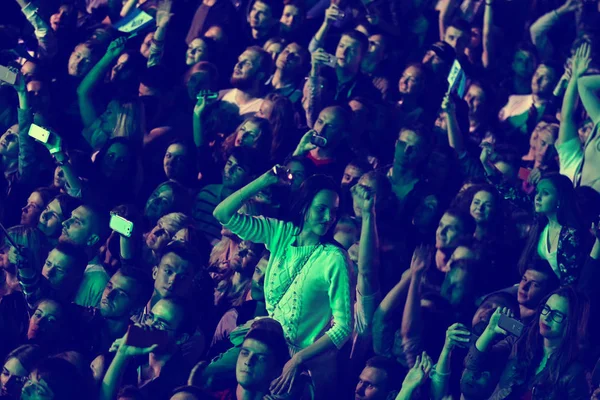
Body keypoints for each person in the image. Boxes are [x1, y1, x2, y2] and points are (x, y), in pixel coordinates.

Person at [213, 173, 352, 397]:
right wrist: (264, 180)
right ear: (305, 205)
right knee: (208, 375)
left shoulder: (334, 258)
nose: (329, 217)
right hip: (265, 341)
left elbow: (344, 328)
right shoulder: (281, 233)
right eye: (321, 209)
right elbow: (223, 214)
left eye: (334, 212)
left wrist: (299, 358)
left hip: (302, 358)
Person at [463, 286, 590, 399]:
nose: (547, 317)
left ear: (571, 323)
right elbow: (472, 364)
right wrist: (490, 331)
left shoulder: (574, 373)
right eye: (546, 308)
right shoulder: (520, 340)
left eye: (557, 314)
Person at [101, 297, 196, 400]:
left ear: (181, 338)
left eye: (160, 324)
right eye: (150, 317)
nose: (150, 325)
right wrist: (122, 354)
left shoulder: (182, 382)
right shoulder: (132, 358)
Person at [220, 47, 273, 116]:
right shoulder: (221, 96)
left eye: (247, 63)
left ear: (260, 75)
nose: (238, 65)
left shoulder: (262, 110)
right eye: (239, 60)